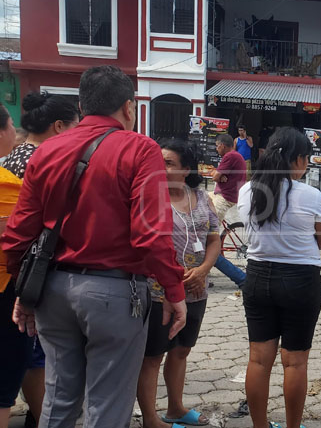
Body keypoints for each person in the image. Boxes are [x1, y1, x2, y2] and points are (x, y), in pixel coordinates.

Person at [1, 65, 188, 428]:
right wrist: (174, 290)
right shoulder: (140, 149)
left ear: (83, 106)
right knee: (107, 405)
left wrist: (24, 292)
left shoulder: (47, 151)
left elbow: (19, 232)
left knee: (58, 400)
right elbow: (151, 233)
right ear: (129, 108)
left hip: (53, 290)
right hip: (115, 293)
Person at [237, 127, 321, 428]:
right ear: (298, 159)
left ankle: (260, 425)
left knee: (258, 360)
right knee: (294, 362)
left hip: (257, 278)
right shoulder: (311, 195)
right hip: (300, 281)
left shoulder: (247, 191)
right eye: (306, 158)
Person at [3, 91, 80, 427]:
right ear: (60, 126)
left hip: (16, 270)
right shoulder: (50, 162)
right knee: (35, 353)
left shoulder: (10, 158)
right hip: (32, 275)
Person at [137, 139, 221, 428]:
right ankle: (150, 418)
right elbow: (148, 246)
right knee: (152, 356)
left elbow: (214, 240)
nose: (161, 167)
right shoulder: (149, 197)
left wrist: (203, 270)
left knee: (181, 350)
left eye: (169, 163)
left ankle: (175, 408)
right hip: (159, 292)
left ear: (186, 169)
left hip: (196, 290)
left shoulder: (200, 197)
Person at [0, 104, 29, 428]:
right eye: (10, 124)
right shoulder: (8, 184)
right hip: (6, 286)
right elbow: (20, 236)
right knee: (6, 373)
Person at [210, 133, 247, 288]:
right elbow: (217, 175)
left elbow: (214, 176)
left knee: (206, 232)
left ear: (222, 145)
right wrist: (218, 175)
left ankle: (212, 251)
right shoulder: (234, 156)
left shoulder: (230, 156)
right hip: (220, 194)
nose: (216, 149)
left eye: (217, 146)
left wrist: (217, 175)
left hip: (225, 197)